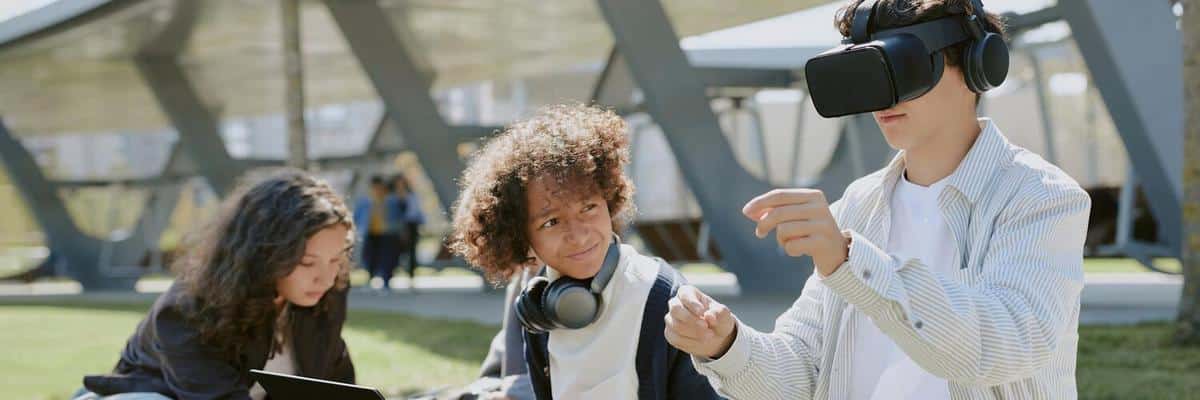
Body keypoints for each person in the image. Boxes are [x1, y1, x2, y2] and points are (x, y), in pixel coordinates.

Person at [665, 1, 1092, 399]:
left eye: (904, 66)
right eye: (869, 70)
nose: (885, 95)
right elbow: (806, 371)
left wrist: (851, 262)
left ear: (976, 65)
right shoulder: (858, 204)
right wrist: (727, 345)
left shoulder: (1042, 198)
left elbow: (1005, 347)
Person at [448, 104, 719, 399]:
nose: (578, 236)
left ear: (609, 200)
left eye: (588, 207)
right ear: (520, 236)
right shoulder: (539, 312)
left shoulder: (663, 299)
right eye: (551, 222)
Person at [77, 169, 356, 400]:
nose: (326, 278)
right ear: (265, 253)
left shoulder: (325, 294)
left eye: (335, 259)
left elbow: (336, 381)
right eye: (307, 263)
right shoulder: (185, 310)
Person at [354, 175, 403, 291]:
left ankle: (386, 280)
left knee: (387, 258)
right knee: (370, 257)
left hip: (387, 233)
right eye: (374, 187)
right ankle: (370, 277)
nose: (377, 190)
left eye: (379, 187)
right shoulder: (364, 201)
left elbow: (399, 217)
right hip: (370, 232)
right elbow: (357, 216)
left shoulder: (391, 200)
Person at [390, 173, 427, 289]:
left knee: (411, 252)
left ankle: (411, 276)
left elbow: (417, 211)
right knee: (394, 251)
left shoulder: (412, 196)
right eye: (398, 183)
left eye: (402, 183)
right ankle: (390, 276)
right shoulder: (391, 196)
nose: (400, 185)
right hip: (395, 227)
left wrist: (422, 224)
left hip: (411, 225)